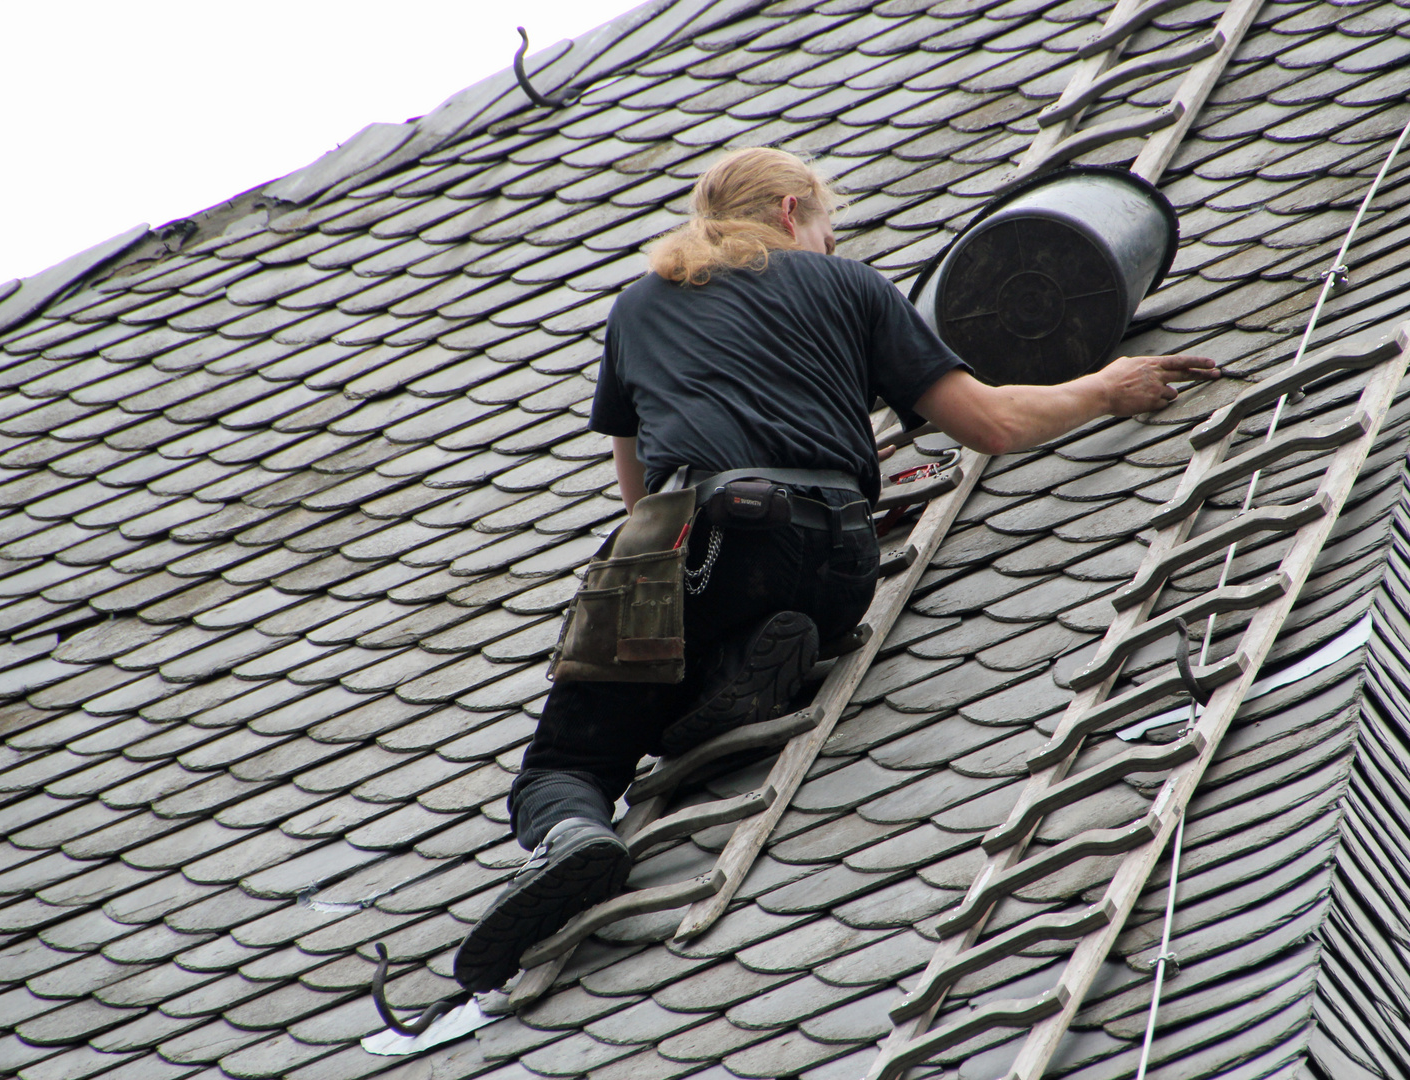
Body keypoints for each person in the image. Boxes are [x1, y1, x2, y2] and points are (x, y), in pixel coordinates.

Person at [452, 147, 1218, 991]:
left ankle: (574, 829)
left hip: (688, 542)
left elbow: (640, 500)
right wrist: (1107, 387)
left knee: (571, 755)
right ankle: (731, 680)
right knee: (737, 607)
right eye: (826, 224)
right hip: (836, 550)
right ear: (791, 214)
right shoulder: (851, 287)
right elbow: (992, 423)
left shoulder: (638, 307)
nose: (828, 239)